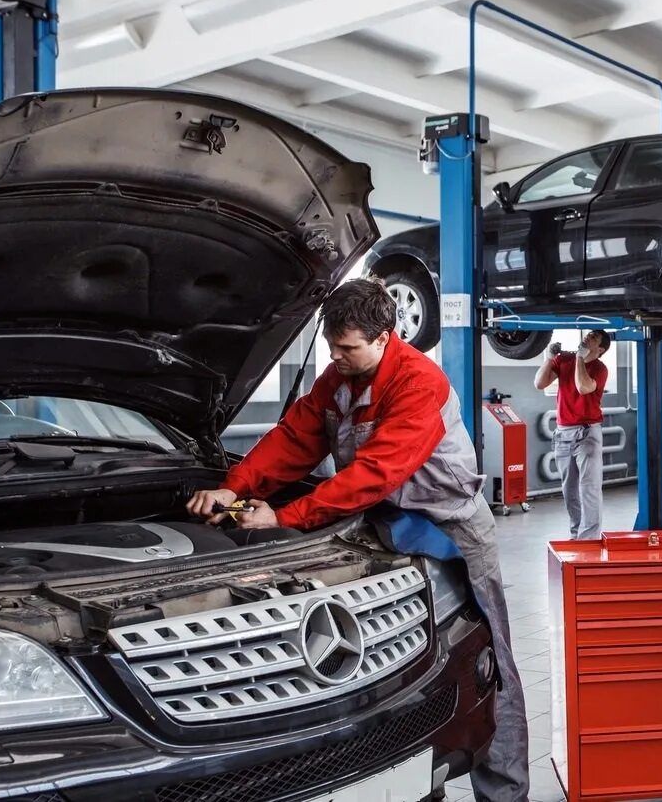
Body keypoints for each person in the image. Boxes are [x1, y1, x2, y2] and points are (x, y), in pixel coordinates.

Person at [186, 279, 529, 802]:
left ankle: (505, 793)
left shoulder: (419, 383)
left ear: (385, 338)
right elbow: (294, 439)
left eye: (346, 347)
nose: (335, 356)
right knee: (394, 664)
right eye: (331, 345)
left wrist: (285, 516)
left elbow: (374, 474)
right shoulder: (338, 379)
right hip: (377, 528)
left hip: (451, 530)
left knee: (490, 660)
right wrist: (234, 487)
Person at [533, 329, 611, 540]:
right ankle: (577, 535)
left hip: (587, 433)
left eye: (594, 337)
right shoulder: (564, 360)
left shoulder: (600, 369)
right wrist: (549, 358)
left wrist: (579, 359)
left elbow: (583, 387)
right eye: (589, 334)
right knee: (569, 490)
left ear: (600, 349)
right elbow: (539, 383)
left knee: (589, 488)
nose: (588, 336)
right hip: (563, 433)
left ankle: (589, 538)